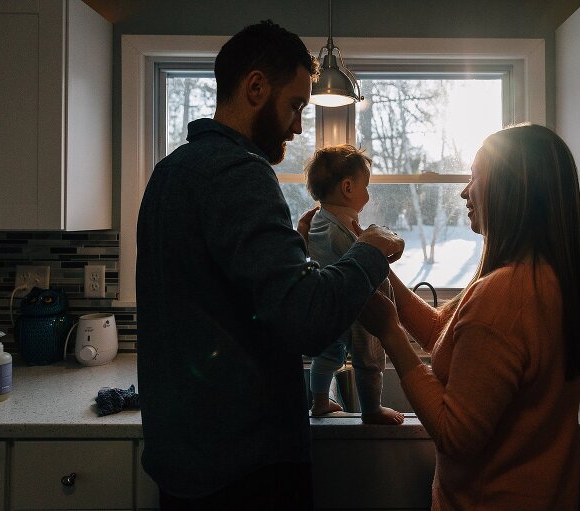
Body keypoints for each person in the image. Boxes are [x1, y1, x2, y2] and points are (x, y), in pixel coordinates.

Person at [135, 20, 404, 510]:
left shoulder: (171, 171)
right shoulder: (239, 172)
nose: (298, 126)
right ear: (256, 87)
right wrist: (370, 249)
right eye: (296, 105)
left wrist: (295, 250)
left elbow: (228, 297)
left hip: (188, 459)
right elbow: (306, 318)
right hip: (244, 470)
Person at [357, 124, 580, 510]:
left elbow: (455, 436)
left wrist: (390, 334)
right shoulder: (544, 277)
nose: (465, 191)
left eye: (476, 176)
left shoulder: (504, 294)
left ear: (511, 188)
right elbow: (443, 333)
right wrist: (374, 263)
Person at [304, 144, 404, 425]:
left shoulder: (317, 222)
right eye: (366, 186)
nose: (368, 195)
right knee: (369, 358)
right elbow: (362, 266)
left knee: (328, 354)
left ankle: (319, 402)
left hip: (328, 307)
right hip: (359, 310)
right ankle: (372, 409)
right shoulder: (341, 230)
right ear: (348, 188)